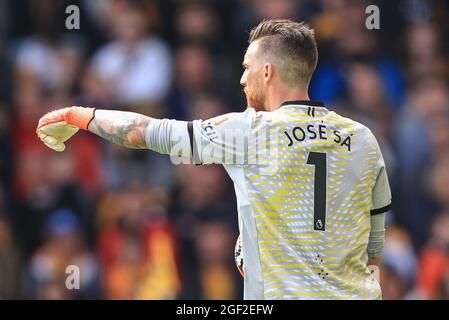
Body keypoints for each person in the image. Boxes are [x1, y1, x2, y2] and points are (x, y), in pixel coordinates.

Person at [36, 19, 391, 300]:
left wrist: (79, 115)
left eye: (246, 67)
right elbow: (373, 252)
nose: (241, 78)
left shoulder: (250, 131)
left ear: (267, 72)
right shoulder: (362, 139)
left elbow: (140, 131)